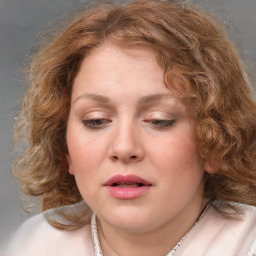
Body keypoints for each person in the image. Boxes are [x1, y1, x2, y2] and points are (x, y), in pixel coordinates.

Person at [4, 0, 256, 255]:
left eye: (159, 120)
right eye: (96, 120)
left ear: (216, 142)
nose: (124, 148)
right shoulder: (30, 244)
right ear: (64, 149)